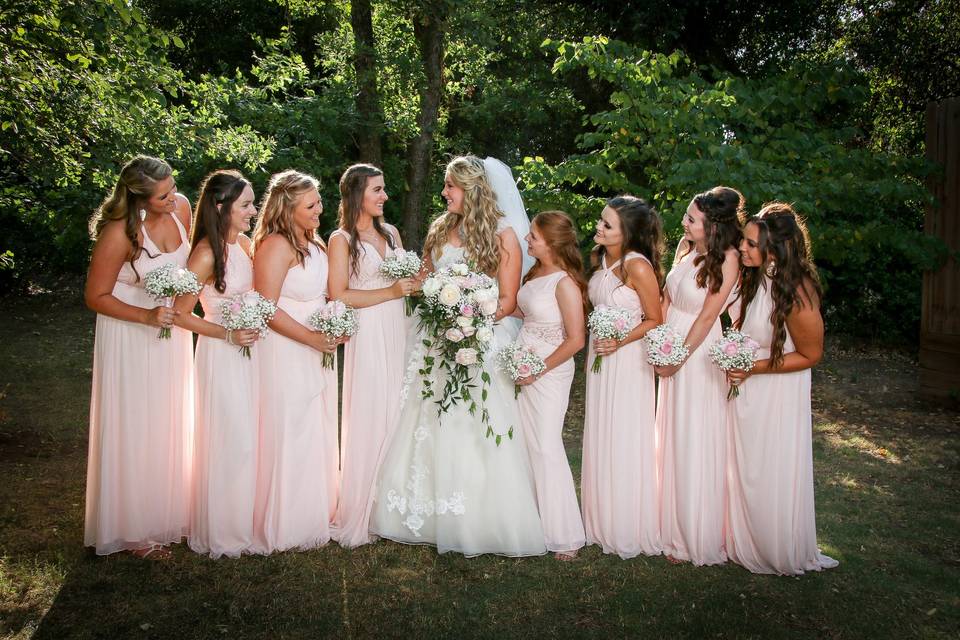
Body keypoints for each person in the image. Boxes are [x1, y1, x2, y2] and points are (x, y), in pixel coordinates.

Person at [369, 156, 546, 557]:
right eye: (446, 185)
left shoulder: (502, 236)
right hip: (437, 339)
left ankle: (480, 516)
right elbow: (428, 279)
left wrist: (469, 317)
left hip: (480, 340)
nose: (445, 192)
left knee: (474, 423)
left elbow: (506, 300)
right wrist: (432, 298)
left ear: (472, 189)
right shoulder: (441, 228)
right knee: (427, 417)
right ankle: (424, 512)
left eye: (451, 185)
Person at [83, 155, 193, 558]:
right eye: (163, 194)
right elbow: (95, 296)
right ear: (139, 198)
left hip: (170, 335)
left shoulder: (181, 209)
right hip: (131, 334)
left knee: (169, 419)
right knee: (136, 425)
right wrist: (146, 315)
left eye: (172, 187)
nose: (173, 197)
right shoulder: (119, 232)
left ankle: (169, 512)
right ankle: (133, 530)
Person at [725, 202, 839, 575]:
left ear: (774, 250)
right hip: (750, 391)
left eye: (750, 244)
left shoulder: (796, 289)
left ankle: (774, 545)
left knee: (768, 470)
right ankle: (741, 538)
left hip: (777, 394)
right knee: (745, 468)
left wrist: (750, 367)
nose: (742, 248)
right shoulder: (758, 279)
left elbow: (810, 353)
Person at [250, 170, 340, 554]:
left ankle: (314, 514)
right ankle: (286, 522)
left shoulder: (313, 239)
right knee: (291, 428)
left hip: (317, 345)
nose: (320, 209)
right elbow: (265, 308)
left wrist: (336, 327)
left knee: (316, 426)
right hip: (287, 347)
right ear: (288, 208)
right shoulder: (275, 245)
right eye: (311, 205)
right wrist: (312, 339)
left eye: (319, 201)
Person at [172, 170, 261, 558]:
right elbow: (179, 314)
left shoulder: (242, 244)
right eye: (246, 205)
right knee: (229, 439)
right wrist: (227, 335)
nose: (254, 211)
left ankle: (245, 519)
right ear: (222, 207)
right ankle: (223, 531)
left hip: (249, 353)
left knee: (248, 438)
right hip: (221, 353)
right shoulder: (207, 253)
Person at [327, 164, 415, 548]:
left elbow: (405, 282)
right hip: (369, 328)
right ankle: (362, 507)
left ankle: (393, 505)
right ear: (356, 194)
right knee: (372, 411)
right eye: (377, 190)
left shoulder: (391, 232)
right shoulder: (341, 239)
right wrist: (392, 293)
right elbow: (339, 294)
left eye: (384, 189)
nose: (384, 197)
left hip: (399, 326)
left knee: (400, 410)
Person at [656, 186, 742, 566]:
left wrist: (678, 357)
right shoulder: (687, 250)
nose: (684, 222)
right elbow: (667, 298)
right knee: (671, 436)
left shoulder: (729, 258)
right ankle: (667, 524)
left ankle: (694, 534)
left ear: (713, 226)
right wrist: (659, 342)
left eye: (692, 219)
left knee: (693, 437)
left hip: (698, 350)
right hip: (672, 344)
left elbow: (709, 316)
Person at [581, 196, 665, 559]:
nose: (598, 228)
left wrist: (619, 340)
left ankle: (626, 522)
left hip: (628, 362)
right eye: (601, 221)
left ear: (626, 233)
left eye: (607, 225)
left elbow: (655, 318)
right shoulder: (600, 260)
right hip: (600, 357)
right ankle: (597, 521)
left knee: (624, 435)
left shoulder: (637, 266)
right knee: (601, 432)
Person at [515, 211, 588, 560]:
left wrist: (537, 370)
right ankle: (533, 521)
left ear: (552, 242)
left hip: (550, 371)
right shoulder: (535, 273)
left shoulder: (565, 283)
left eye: (533, 236)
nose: (527, 240)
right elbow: (524, 311)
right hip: (523, 366)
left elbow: (575, 339)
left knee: (545, 445)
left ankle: (566, 535)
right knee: (524, 445)